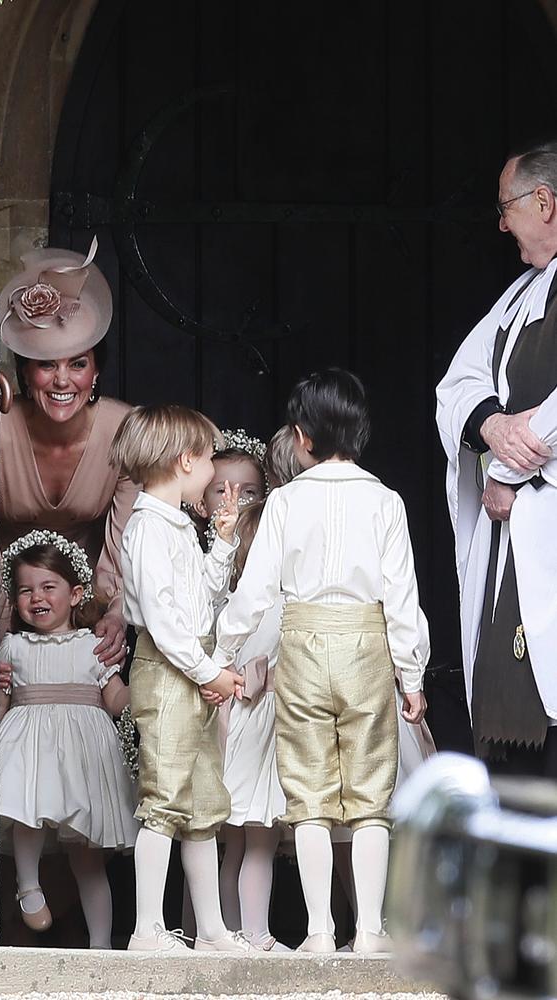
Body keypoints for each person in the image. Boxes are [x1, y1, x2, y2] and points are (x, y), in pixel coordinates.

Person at [213, 368, 429, 955]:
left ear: (302, 436)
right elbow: (402, 598)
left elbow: (255, 590)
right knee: (371, 795)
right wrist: (411, 674)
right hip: (366, 645)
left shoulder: (284, 502)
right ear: (360, 432)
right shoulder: (385, 501)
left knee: (306, 793)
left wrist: (221, 655)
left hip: (301, 643)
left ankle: (317, 932)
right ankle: (372, 931)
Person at [109, 404, 252, 954]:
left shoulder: (176, 526)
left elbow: (204, 599)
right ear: (185, 460)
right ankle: (147, 927)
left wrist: (222, 541)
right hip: (169, 674)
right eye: (210, 458)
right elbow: (167, 624)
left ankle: (211, 928)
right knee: (164, 799)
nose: (214, 469)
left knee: (200, 805)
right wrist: (209, 670)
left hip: (188, 672)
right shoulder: (148, 527)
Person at [436, 139, 557, 775]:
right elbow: (455, 387)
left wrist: (508, 467)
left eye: (507, 207)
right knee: (517, 751)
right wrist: (490, 425)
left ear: (545, 201)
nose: (502, 223)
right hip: (511, 543)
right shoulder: (518, 298)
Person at [0, 238, 137, 669]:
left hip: (85, 609)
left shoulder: (122, 429)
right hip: (0, 600)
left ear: (96, 371)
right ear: (24, 371)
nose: (63, 380)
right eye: (46, 364)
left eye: (78, 363)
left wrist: (114, 612)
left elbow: (126, 540)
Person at [0, 530, 138, 948]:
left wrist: (145, 692)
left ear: (76, 594)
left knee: (88, 854)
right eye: (25, 590)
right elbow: (1, 703)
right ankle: (27, 884)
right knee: (28, 806)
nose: (35, 597)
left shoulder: (93, 645)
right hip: (29, 745)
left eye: (47, 587)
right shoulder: (11, 646)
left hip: (83, 752)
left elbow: (114, 698)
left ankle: (101, 943)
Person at [193, 430, 288, 953]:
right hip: (259, 730)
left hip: (236, 728)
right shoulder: (272, 605)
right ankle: (254, 934)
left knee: (234, 842)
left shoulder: (224, 601)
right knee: (258, 840)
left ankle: (229, 932)